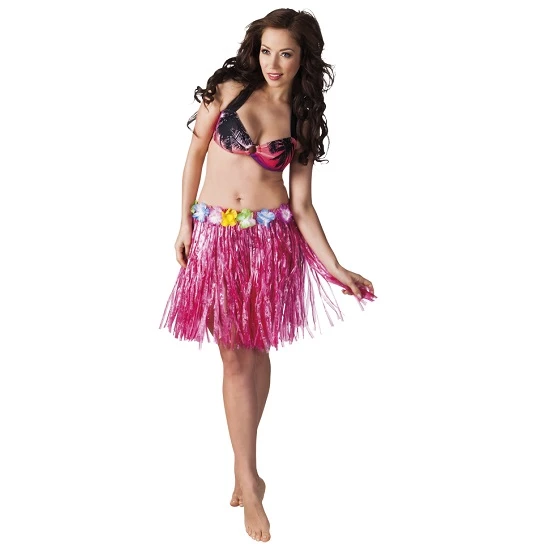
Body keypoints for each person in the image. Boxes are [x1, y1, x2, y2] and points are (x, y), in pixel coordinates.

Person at [159, 8, 376, 543]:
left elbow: (302, 205)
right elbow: (194, 155)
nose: (273, 63)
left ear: (304, 58)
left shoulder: (301, 118)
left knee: (255, 352)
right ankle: (249, 480)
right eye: (265, 51)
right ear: (254, 50)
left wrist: (336, 267)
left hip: (270, 243)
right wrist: (183, 222)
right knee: (234, 357)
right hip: (216, 238)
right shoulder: (229, 89)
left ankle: (245, 468)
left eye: (286, 53)